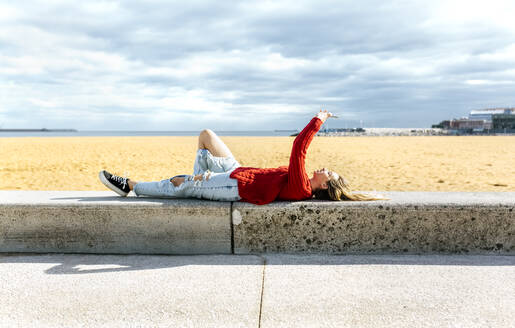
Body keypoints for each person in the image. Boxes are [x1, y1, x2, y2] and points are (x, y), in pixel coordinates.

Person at [99, 110, 389, 205]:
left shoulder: (302, 187)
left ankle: (132, 186)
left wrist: (319, 118)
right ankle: (192, 185)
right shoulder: (302, 183)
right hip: (237, 173)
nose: (326, 169)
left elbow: (298, 147)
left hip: (234, 187)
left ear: (324, 185)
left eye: (330, 173)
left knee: (177, 182)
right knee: (206, 137)